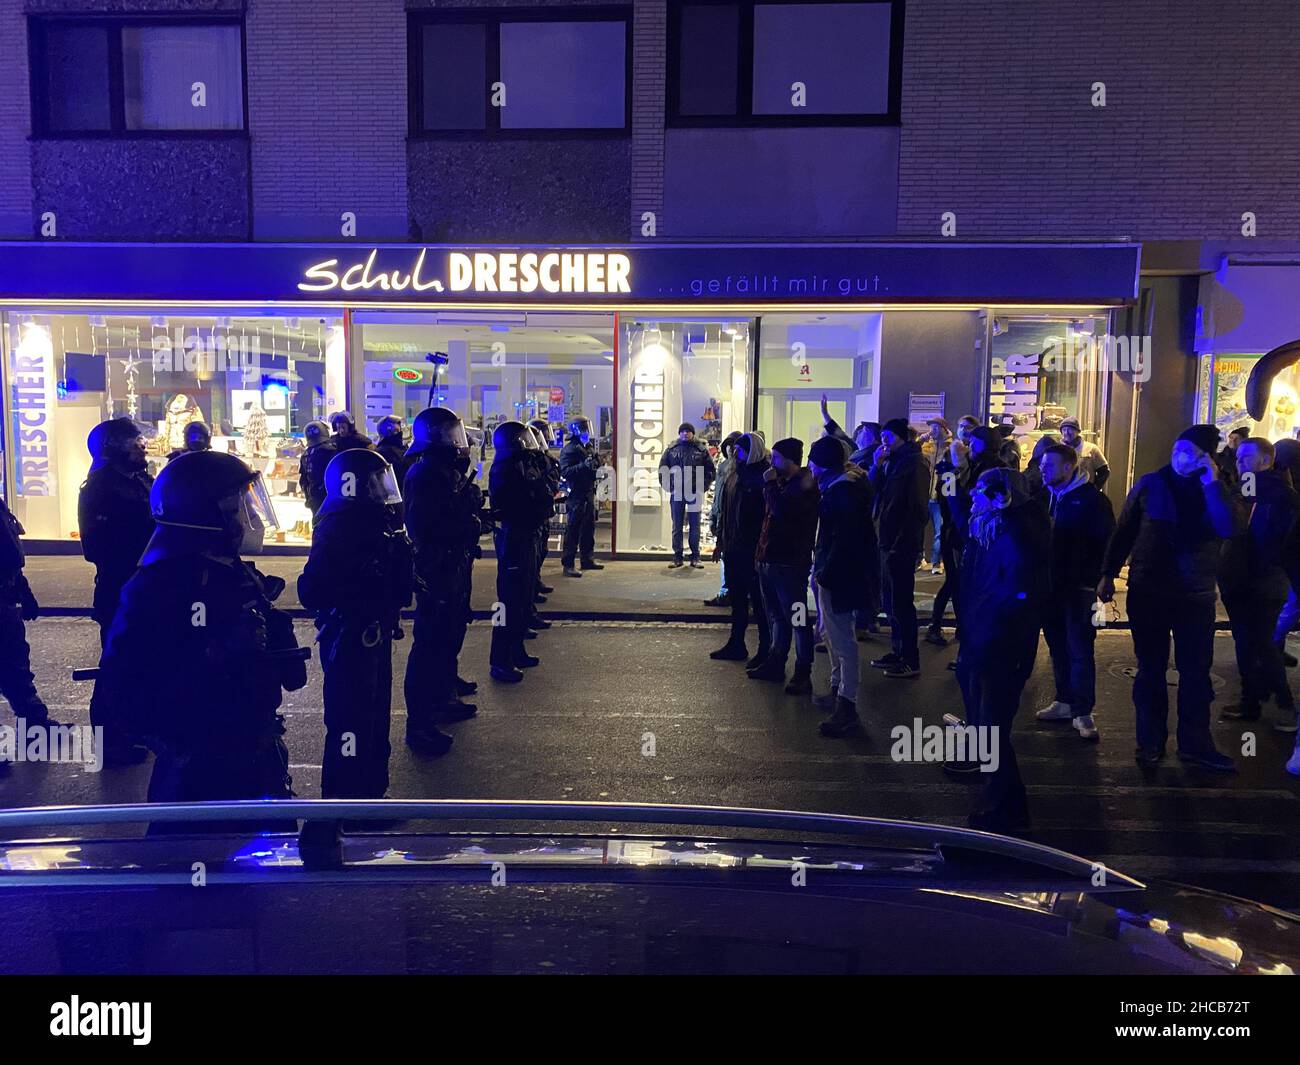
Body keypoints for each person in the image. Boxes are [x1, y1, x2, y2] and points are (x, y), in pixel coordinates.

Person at [89, 451, 305, 830]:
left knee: (269, 876)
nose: (248, 516)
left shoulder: (231, 573)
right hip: (199, 775)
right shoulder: (156, 586)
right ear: (204, 514)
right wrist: (211, 660)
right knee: (193, 875)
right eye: (238, 506)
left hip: (255, 755)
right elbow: (124, 694)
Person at [1099, 424, 1241, 770]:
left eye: (1190, 452)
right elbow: (1125, 529)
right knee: (1150, 670)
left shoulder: (1216, 488)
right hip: (1149, 591)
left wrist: (1211, 480)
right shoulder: (1151, 483)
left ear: (1206, 457)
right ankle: (1150, 742)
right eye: (1178, 449)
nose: (1181, 457)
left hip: (1195, 595)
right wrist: (1108, 572)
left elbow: (1230, 528)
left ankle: (1195, 744)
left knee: (1196, 673)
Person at [298, 448, 413, 855]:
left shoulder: (375, 522)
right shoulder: (339, 525)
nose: (384, 490)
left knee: (373, 718)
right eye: (376, 483)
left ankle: (369, 797)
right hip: (349, 637)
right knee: (350, 722)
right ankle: (342, 805)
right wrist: (361, 581)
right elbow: (311, 590)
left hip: (374, 634)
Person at [952, 467, 1051, 833]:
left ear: (1003, 497)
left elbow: (1021, 588)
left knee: (991, 728)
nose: (973, 496)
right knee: (982, 727)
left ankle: (1009, 811)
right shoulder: (984, 530)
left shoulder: (1019, 531)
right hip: (978, 642)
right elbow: (960, 520)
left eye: (982, 491)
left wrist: (992, 625)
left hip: (1003, 647)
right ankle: (998, 798)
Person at [402, 408, 483, 752]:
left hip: (452, 564)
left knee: (451, 632)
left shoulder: (443, 472)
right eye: (454, 437)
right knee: (430, 644)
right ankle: (420, 722)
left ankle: (444, 693)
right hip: (436, 568)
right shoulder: (425, 474)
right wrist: (469, 524)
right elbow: (428, 528)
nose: (460, 444)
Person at [1216, 438, 1300, 734]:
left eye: (1246, 458)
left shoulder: (1281, 496)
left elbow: (1285, 542)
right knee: (1245, 641)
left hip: (1265, 580)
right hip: (1237, 578)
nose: (1239, 463)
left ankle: (1284, 703)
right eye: (1237, 458)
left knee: (1263, 642)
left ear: (1266, 461)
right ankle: (1251, 699)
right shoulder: (1241, 490)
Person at [1035, 443, 1116, 742]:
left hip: (1079, 588)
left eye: (1049, 466)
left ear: (1069, 467)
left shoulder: (1092, 501)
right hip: (1051, 587)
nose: (1042, 470)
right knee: (1057, 647)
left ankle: (1083, 711)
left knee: (1080, 649)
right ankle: (1064, 701)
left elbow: (1108, 541)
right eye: (1042, 465)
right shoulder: (1047, 497)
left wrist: (1104, 578)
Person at [808, 437, 872, 738]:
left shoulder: (842, 491)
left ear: (820, 464)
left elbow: (842, 539)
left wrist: (825, 573)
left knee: (842, 641)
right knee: (834, 639)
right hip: (835, 573)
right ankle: (837, 692)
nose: (809, 465)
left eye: (812, 460)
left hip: (838, 576)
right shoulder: (841, 486)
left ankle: (847, 705)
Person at [78, 417, 155, 650]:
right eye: (134, 441)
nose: (142, 446)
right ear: (112, 447)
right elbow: (94, 548)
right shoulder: (98, 489)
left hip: (150, 585)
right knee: (119, 666)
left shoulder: (143, 481)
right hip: (120, 588)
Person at [749, 438, 820, 694]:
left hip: (791, 564)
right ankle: (776, 661)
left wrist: (769, 483)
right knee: (777, 616)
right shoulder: (784, 483)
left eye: (777, 458)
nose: (772, 462)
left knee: (798, 619)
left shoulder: (804, 485)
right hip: (770, 561)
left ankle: (803, 671)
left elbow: (782, 512)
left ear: (790, 460)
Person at [488, 421, 555, 682]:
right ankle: (500, 659)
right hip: (514, 537)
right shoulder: (505, 468)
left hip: (525, 534)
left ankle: (515, 650)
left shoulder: (521, 465)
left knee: (521, 597)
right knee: (506, 603)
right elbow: (519, 501)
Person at [868, 418, 930, 679]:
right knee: (891, 600)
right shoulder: (892, 461)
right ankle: (897, 650)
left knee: (902, 602)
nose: (885, 441)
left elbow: (916, 508)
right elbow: (875, 492)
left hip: (900, 543)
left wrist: (903, 543)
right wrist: (876, 466)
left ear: (902, 437)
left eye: (889, 436)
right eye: (882, 436)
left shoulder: (914, 463)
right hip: (886, 538)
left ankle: (909, 658)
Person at [0, 495, 58, 757]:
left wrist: (24, 590)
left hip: (6, 596)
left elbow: (10, 555)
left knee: (15, 665)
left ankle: (35, 723)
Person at [710, 432, 770, 665]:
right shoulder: (735, 475)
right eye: (735, 450)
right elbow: (726, 509)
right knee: (738, 600)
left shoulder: (762, 477)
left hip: (751, 550)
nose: (736, 454)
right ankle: (737, 643)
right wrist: (720, 541)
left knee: (759, 602)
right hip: (734, 547)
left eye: (741, 450)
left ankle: (765, 650)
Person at [659, 422, 715, 568]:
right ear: (679, 433)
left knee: (695, 525)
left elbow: (711, 471)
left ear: (692, 433)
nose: (685, 434)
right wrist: (669, 486)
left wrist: (702, 486)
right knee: (677, 525)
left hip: (694, 492)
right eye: (683, 431)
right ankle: (677, 557)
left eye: (688, 431)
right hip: (677, 492)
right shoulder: (672, 449)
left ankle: (695, 556)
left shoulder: (701, 449)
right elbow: (663, 469)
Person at [559, 416, 604, 578]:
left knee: (588, 527)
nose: (586, 431)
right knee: (573, 529)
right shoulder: (570, 449)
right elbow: (564, 471)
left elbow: (594, 465)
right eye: (583, 428)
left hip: (587, 491)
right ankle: (568, 563)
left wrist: (596, 462)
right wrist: (583, 466)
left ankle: (587, 558)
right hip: (576, 493)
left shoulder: (587, 447)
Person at [705, 431, 744, 607]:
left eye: (734, 446)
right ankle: (727, 592)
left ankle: (733, 593)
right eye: (728, 446)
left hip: (734, 522)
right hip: (722, 517)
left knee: (731, 559)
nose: (730, 450)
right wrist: (713, 516)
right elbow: (718, 496)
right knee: (725, 559)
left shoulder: (741, 471)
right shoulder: (723, 468)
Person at [920, 417, 951, 575]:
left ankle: (936, 562)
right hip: (924, 494)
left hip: (939, 496)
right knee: (919, 527)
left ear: (944, 429)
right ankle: (919, 559)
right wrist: (919, 441)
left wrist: (948, 496)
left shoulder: (951, 447)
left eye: (936, 427)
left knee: (939, 530)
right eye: (931, 427)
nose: (933, 430)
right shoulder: (926, 446)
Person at [299, 420, 337, 525]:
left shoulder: (306, 454)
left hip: (314, 497)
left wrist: (308, 497)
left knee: (318, 528)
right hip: (330, 497)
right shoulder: (331, 451)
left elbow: (303, 480)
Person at [1059, 417, 1110, 488]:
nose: (1066, 432)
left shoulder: (1092, 449)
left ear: (1078, 431)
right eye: (1064, 430)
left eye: (1070, 429)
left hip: (1085, 493)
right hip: (1062, 493)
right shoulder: (1057, 450)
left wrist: (1094, 488)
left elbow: (1104, 472)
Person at [375, 415, 411, 480]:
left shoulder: (400, 447)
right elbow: (401, 472)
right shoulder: (383, 451)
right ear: (389, 429)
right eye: (398, 425)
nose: (401, 429)